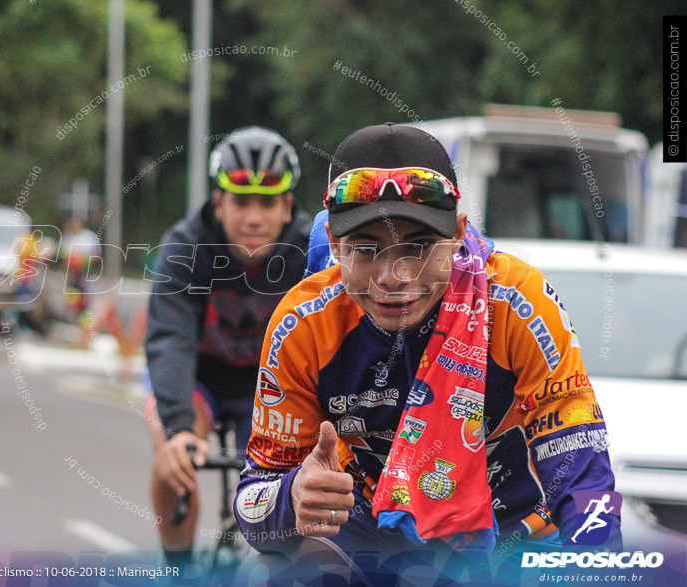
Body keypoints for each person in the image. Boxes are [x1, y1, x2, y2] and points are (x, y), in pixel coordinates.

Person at [234, 123, 619, 583]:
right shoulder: (302, 325)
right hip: (368, 534)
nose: (394, 276)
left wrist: (599, 566)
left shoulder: (518, 302)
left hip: (514, 534)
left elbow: (581, 466)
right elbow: (251, 507)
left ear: (457, 233)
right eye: (365, 248)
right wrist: (291, 496)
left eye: (417, 247)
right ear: (335, 245)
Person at [143, 127, 313, 568]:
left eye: (267, 203)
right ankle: (178, 571)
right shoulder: (184, 246)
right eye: (240, 202)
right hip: (201, 382)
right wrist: (178, 429)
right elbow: (170, 340)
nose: (253, 218)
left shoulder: (313, 253)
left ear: (287, 206)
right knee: (172, 461)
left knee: (280, 489)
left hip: (274, 389)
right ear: (218, 204)